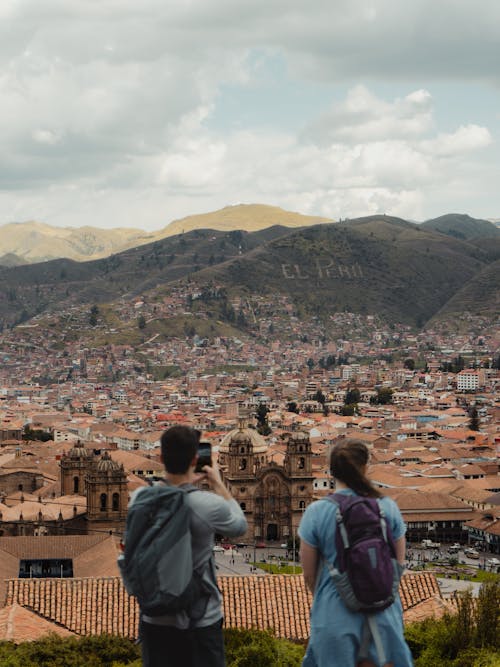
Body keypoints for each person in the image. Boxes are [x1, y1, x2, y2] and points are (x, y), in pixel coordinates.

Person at [136, 425, 248, 667]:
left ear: (161, 458)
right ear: (196, 459)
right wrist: (217, 484)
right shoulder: (205, 505)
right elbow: (239, 526)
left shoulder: (141, 501)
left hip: (155, 618)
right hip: (200, 619)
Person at [299, 439, 413, 667]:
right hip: (384, 615)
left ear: (331, 471)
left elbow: (310, 576)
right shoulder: (387, 507)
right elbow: (398, 566)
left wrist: (334, 594)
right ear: (365, 467)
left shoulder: (316, 512)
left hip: (334, 616)